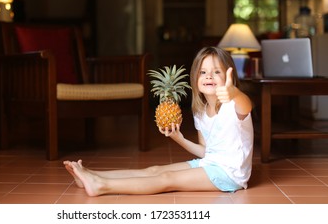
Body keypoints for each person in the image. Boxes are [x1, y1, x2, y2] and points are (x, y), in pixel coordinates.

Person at [64, 46, 254, 196]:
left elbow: (247, 105)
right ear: (195, 78)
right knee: (153, 170)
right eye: (203, 72)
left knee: (167, 178)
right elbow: (207, 152)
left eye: (217, 72)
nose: (209, 76)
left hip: (230, 174)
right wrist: (178, 138)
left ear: (229, 77)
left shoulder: (234, 105)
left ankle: (101, 186)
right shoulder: (200, 111)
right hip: (210, 164)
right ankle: (91, 176)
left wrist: (235, 93)